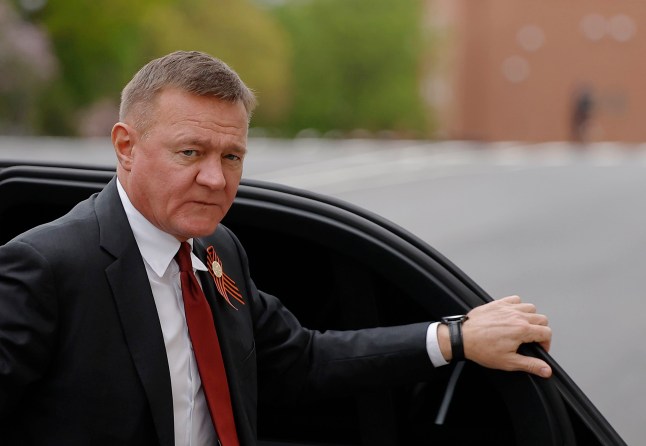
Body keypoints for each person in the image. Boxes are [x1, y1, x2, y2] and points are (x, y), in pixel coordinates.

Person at [0, 51, 552, 445]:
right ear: (126, 146)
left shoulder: (217, 250)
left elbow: (301, 359)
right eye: (190, 152)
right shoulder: (46, 267)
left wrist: (455, 337)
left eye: (232, 156)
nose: (215, 179)